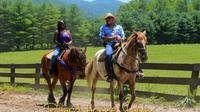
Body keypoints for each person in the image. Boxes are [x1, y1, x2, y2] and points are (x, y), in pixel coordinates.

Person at [99, 13, 125, 82]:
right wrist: (114, 37)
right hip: (109, 44)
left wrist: (121, 39)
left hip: (119, 44)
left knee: (130, 52)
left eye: (110, 18)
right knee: (108, 55)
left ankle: (136, 71)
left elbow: (123, 36)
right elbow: (102, 37)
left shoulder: (119, 27)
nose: (108, 20)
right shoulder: (103, 27)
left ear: (113, 19)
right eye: (106, 19)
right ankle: (110, 75)